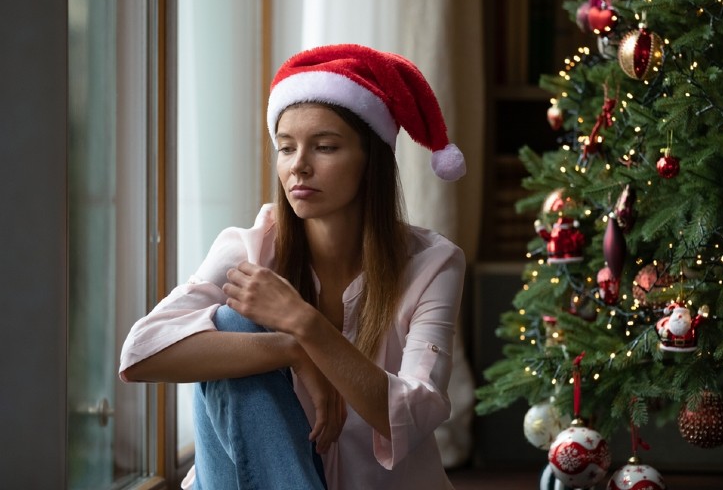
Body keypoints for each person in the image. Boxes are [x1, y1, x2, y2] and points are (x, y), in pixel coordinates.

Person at [119, 43, 467, 490]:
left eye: (324, 147)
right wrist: (291, 349)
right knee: (233, 322)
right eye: (286, 148)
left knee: (235, 321)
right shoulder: (250, 247)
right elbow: (140, 353)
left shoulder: (432, 264)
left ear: (372, 161)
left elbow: (414, 412)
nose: (299, 166)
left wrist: (307, 325)